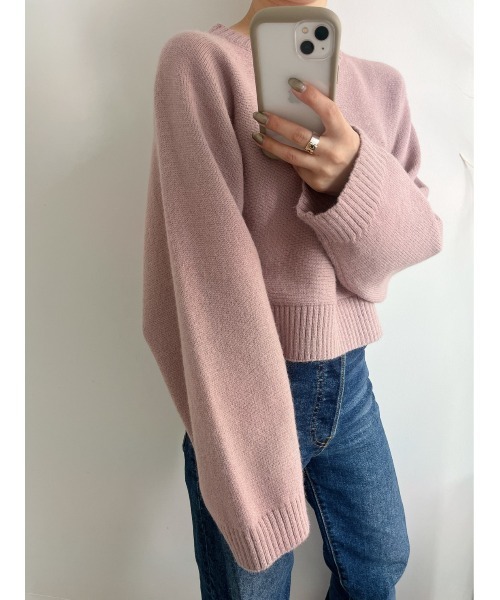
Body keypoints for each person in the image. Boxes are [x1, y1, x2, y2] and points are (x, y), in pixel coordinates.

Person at [142, 0, 443, 598]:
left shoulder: (382, 87)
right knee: (253, 586)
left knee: (380, 562)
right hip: (242, 379)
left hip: (351, 379)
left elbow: (419, 238)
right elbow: (207, 273)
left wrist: (350, 175)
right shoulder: (200, 63)